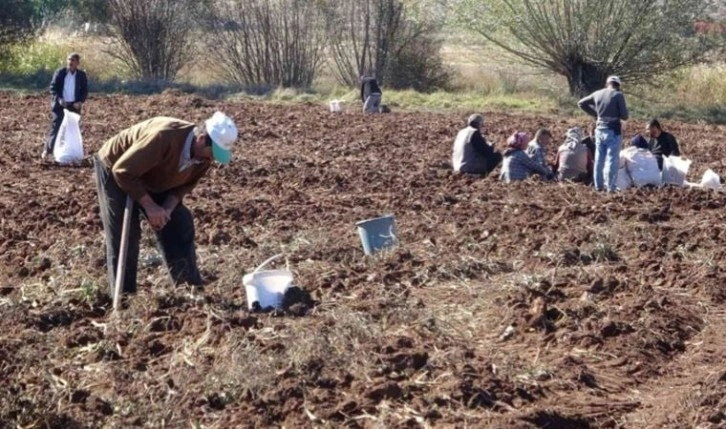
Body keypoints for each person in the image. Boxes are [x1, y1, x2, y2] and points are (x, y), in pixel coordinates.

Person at [93, 112, 238, 296]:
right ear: (202, 139)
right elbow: (122, 171)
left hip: (158, 174)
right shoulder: (164, 137)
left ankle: (189, 291)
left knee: (179, 222)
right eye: (214, 152)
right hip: (118, 168)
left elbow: (183, 186)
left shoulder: (203, 158)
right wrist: (150, 205)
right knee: (126, 234)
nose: (213, 159)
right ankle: (124, 298)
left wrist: (167, 209)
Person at [577, 76, 629, 192]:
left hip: (599, 130)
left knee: (599, 159)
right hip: (613, 131)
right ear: (618, 85)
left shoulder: (597, 93)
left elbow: (581, 103)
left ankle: (598, 186)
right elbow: (625, 116)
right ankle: (611, 187)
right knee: (612, 159)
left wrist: (596, 114)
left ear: (607, 84)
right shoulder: (618, 95)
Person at [43, 52, 88, 161]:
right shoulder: (60, 73)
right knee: (57, 126)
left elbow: (84, 91)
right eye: (69, 60)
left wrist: (80, 102)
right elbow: (53, 88)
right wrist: (59, 99)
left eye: (73, 60)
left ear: (77, 63)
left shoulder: (81, 75)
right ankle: (48, 151)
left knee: (72, 129)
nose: (70, 62)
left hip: (74, 106)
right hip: (61, 105)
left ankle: (70, 152)